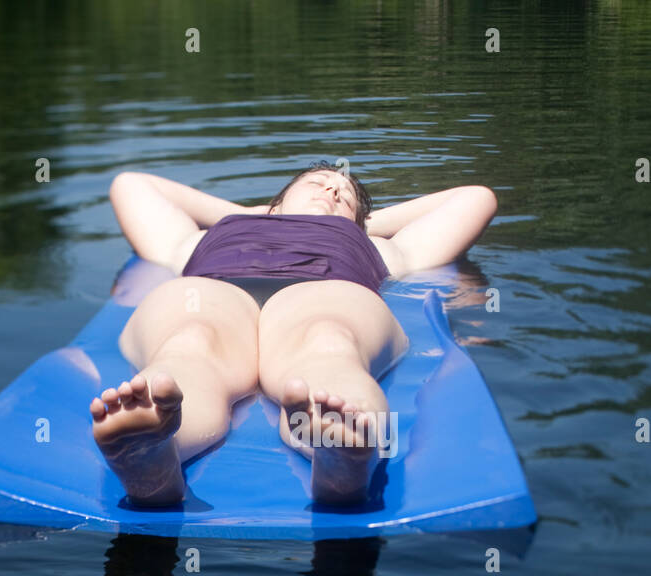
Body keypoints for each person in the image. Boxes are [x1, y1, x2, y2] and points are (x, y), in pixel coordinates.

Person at [91, 161, 497, 505]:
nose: (332, 190)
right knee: (190, 341)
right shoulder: (199, 239)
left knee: (328, 338)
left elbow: (475, 197)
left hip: (323, 292)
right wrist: (262, 213)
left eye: (345, 193)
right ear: (276, 200)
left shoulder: (380, 244)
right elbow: (132, 185)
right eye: (318, 183)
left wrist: (355, 222)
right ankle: (156, 451)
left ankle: (343, 451)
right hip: (215, 292)